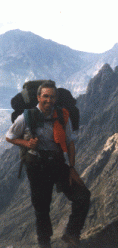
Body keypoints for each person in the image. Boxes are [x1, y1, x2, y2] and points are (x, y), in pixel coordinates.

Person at [6, 80, 91, 248]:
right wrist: (26, 144)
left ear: (56, 99)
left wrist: (72, 169)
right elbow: (9, 136)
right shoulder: (27, 117)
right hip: (37, 167)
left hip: (57, 164)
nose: (48, 100)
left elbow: (70, 143)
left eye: (52, 97)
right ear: (38, 97)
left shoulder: (61, 115)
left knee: (83, 196)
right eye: (45, 96)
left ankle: (72, 234)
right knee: (42, 210)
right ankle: (44, 244)